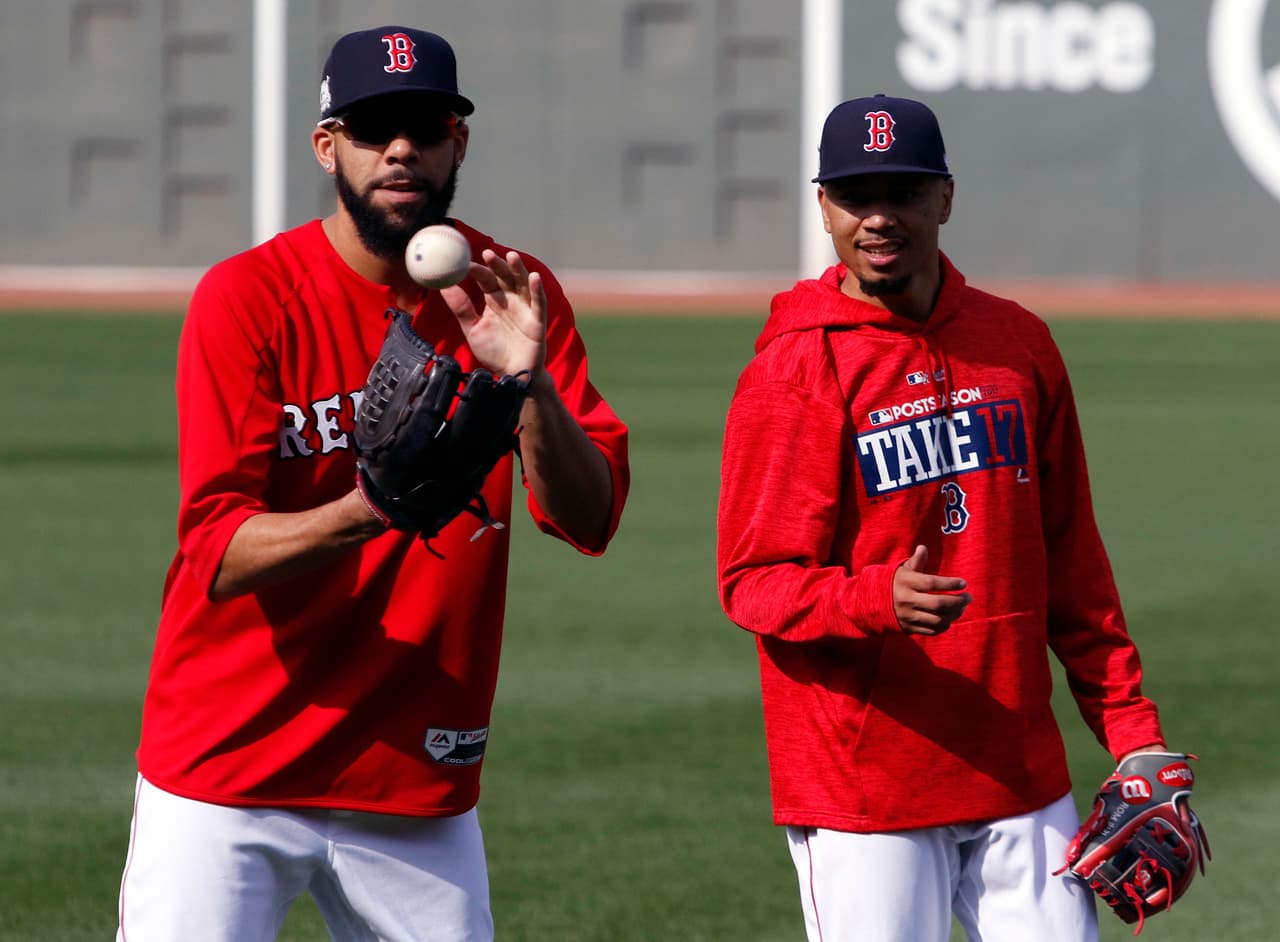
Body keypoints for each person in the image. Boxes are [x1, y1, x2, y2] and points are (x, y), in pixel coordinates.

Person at [115, 25, 629, 941]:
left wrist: (531, 385)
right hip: (229, 766)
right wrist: (372, 509)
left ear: (457, 144)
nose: (401, 149)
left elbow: (589, 521)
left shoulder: (512, 290)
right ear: (327, 147)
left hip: (415, 778)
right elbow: (215, 554)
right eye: (371, 128)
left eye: (425, 127)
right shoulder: (248, 298)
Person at [716, 94, 1180, 941]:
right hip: (865, 784)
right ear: (823, 207)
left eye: (904, 192)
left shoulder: (1016, 344)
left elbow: (1071, 554)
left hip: (1019, 767)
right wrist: (871, 602)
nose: (880, 217)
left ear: (947, 197)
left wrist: (1130, 731)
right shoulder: (796, 369)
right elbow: (751, 585)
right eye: (857, 196)